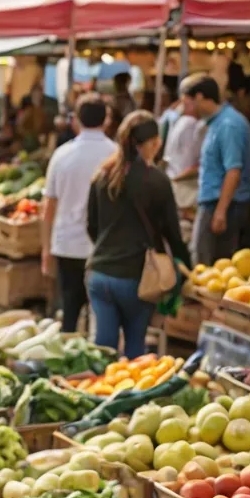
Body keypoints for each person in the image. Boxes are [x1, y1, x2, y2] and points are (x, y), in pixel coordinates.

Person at [87, 110, 189, 359]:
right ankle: (132, 395)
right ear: (154, 143)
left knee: (105, 347)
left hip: (99, 273)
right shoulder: (157, 181)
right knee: (135, 348)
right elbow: (172, 235)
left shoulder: (103, 175)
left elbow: (92, 226)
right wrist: (187, 268)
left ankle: (98, 391)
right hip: (137, 276)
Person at [41, 93, 116, 333]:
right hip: (105, 247)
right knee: (102, 315)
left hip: (67, 244)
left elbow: (48, 207)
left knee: (70, 311)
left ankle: (66, 361)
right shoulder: (116, 156)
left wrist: (46, 248)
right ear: (106, 120)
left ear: (76, 120)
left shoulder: (62, 155)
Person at [184, 75, 250, 266]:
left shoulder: (229, 125)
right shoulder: (218, 123)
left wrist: (220, 212)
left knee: (207, 263)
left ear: (199, 97)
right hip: (217, 202)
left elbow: (234, 171)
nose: (185, 108)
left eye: (187, 102)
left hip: (223, 205)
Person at [161, 82, 205, 214]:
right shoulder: (192, 124)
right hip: (184, 187)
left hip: (174, 182)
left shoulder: (177, 120)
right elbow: (192, 161)